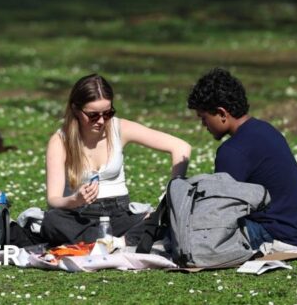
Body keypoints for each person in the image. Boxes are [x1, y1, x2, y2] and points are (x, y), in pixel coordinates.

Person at [36, 73, 191, 247]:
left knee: (163, 220)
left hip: (119, 214)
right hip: (79, 216)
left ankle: (107, 242)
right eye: (93, 115)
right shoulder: (61, 140)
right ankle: (121, 241)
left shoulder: (119, 128)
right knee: (52, 221)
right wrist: (75, 200)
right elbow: (54, 199)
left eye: (108, 113)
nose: (101, 121)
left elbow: (181, 147)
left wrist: (171, 197)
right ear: (75, 110)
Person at [187, 68, 297, 249]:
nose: (203, 125)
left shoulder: (233, 151)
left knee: (188, 235)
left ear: (222, 113)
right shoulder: (265, 129)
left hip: (273, 233)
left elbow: (219, 211)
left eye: (204, 118)